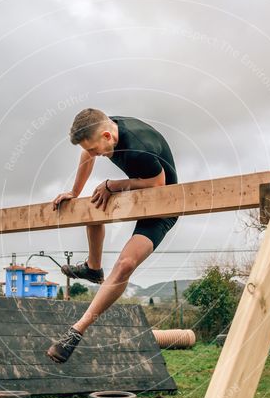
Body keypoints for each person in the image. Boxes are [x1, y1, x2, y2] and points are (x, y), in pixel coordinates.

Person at [45, 108, 178, 363]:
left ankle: (76, 331)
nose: (95, 155)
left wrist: (112, 185)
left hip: (164, 204)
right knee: (92, 202)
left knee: (126, 264)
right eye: (92, 150)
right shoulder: (103, 133)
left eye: (97, 150)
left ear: (108, 135)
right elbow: (86, 152)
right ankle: (93, 268)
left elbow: (158, 184)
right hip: (139, 193)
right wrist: (74, 191)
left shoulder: (139, 147)